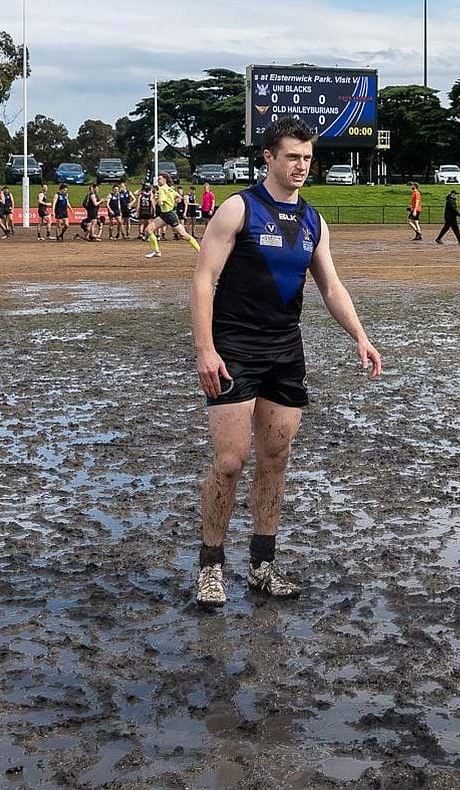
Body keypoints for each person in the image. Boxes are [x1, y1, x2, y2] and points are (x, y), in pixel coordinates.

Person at [189, 116, 383, 607]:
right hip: (234, 349)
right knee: (231, 462)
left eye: (307, 157)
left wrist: (360, 335)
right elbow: (202, 279)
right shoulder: (238, 209)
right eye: (292, 156)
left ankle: (262, 565)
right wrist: (206, 350)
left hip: (284, 349)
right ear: (269, 158)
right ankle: (211, 566)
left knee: (275, 459)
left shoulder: (313, 220)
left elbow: (331, 286)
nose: (301, 165)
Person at [143, 173, 201, 257]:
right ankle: (156, 251)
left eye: (159, 179)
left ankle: (200, 251)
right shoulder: (169, 189)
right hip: (165, 215)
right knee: (148, 229)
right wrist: (174, 200)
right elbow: (179, 197)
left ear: (164, 180)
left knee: (183, 235)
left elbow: (160, 203)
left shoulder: (162, 189)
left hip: (169, 215)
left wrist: (155, 199)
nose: (158, 180)